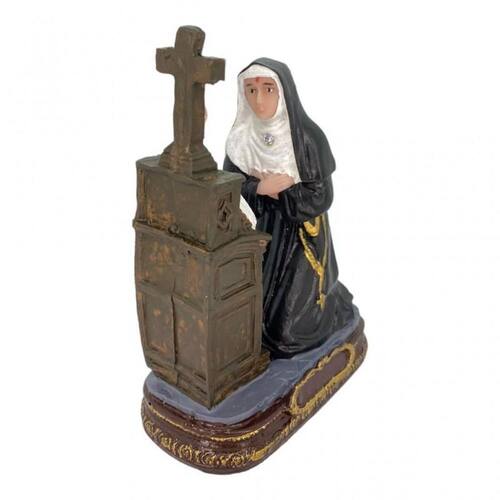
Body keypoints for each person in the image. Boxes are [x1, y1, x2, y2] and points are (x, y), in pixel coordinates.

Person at [223, 58, 355, 358]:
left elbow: (321, 196)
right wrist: (260, 188)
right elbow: (228, 187)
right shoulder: (241, 138)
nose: (259, 100)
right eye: (251, 90)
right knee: (250, 313)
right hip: (260, 230)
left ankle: (325, 310)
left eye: (268, 89)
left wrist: (284, 193)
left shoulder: (308, 138)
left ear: (284, 92)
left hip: (300, 236)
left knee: (288, 332)